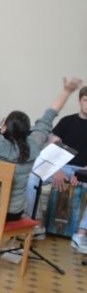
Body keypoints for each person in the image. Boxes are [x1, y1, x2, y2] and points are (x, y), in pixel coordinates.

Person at [0, 71, 83, 233]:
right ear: (27, 130)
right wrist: (66, 92)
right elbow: (49, 116)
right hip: (14, 213)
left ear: (4, 127)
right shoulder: (34, 144)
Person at [41, 85, 87, 254]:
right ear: (80, 101)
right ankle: (36, 224)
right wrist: (56, 170)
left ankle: (80, 234)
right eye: (86, 100)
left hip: (82, 170)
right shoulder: (67, 121)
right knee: (31, 179)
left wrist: (82, 174)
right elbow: (50, 148)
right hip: (61, 167)